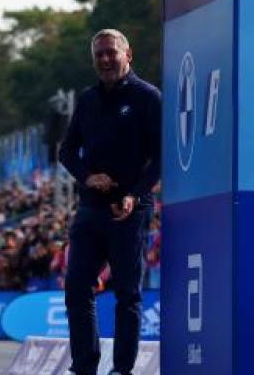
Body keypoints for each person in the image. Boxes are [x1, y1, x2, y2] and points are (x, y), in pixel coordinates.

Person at [57, 29, 160, 375]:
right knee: (76, 288)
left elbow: (160, 158)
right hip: (91, 207)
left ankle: (121, 370)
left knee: (127, 293)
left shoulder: (148, 97)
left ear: (128, 54)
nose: (104, 59)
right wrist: (87, 176)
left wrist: (134, 194)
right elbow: (67, 151)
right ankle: (84, 366)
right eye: (98, 54)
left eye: (111, 52)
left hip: (130, 209)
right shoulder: (87, 99)